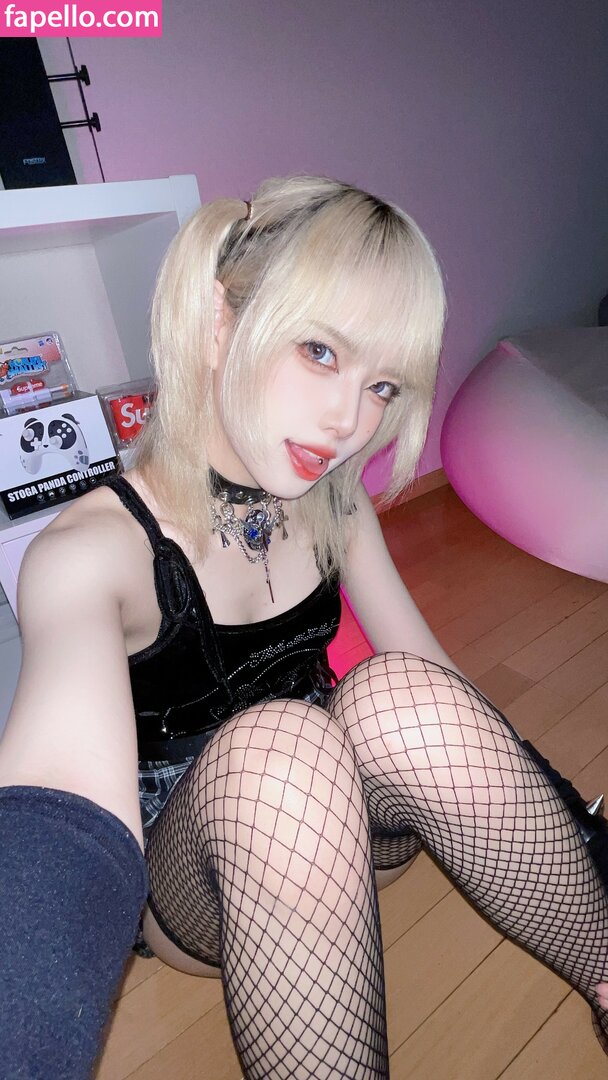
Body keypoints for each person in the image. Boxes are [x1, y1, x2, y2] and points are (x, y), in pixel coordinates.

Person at [0, 175, 607, 1079]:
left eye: (382, 385)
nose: (348, 421)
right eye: (320, 351)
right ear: (218, 322)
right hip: (203, 879)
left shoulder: (332, 498)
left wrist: (571, 827)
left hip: (354, 828)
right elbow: (61, 812)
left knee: (399, 695)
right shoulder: (89, 553)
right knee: (282, 751)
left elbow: (432, 675)